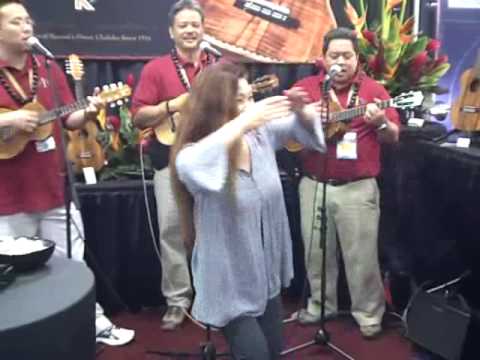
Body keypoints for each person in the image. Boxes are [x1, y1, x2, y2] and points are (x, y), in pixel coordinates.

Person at [0, 0, 134, 346]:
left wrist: (90, 111)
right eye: (15, 22)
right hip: (7, 196)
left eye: (28, 20)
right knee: (10, 276)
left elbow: (67, 119)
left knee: (72, 266)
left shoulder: (46, 66)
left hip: (54, 188)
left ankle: (91, 325)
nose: (26, 27)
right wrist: (10, 120)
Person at [170, 62, 326, 360]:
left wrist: (303, 111)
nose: (250, 107)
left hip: (263, 273)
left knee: (274, 351)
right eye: (239, 100)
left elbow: (303, 131)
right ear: (216, 106)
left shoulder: (259, 136)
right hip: (228, 280)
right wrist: (244, 121)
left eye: (249, 97)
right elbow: (188, 165)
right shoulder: (198, 152)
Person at [292, 27, 400, 339]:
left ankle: (368, 313)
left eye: (347, 55)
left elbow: (391, 136)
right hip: (313, 183)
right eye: (334, 55)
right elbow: (283, 130)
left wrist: (380, 120)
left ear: (358, 59)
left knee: (361, 256)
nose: (341, 61)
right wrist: (302, 114)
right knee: (315, 253)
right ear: (323, 59)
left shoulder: (374, 91)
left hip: (357, 187)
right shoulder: (307, 87)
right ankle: (320, 306)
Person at [131, 0, 217, 330]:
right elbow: (139, 117)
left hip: (211, 164)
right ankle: (178, 299)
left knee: (213, 230)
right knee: (171, 231)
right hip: (170, 163)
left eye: (195, 24)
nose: (190, 30)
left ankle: (213, 295)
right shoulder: (155, 69)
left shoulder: (217, 67)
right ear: (171, 31)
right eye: (183, 25)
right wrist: (173, 105)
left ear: (203, 28)